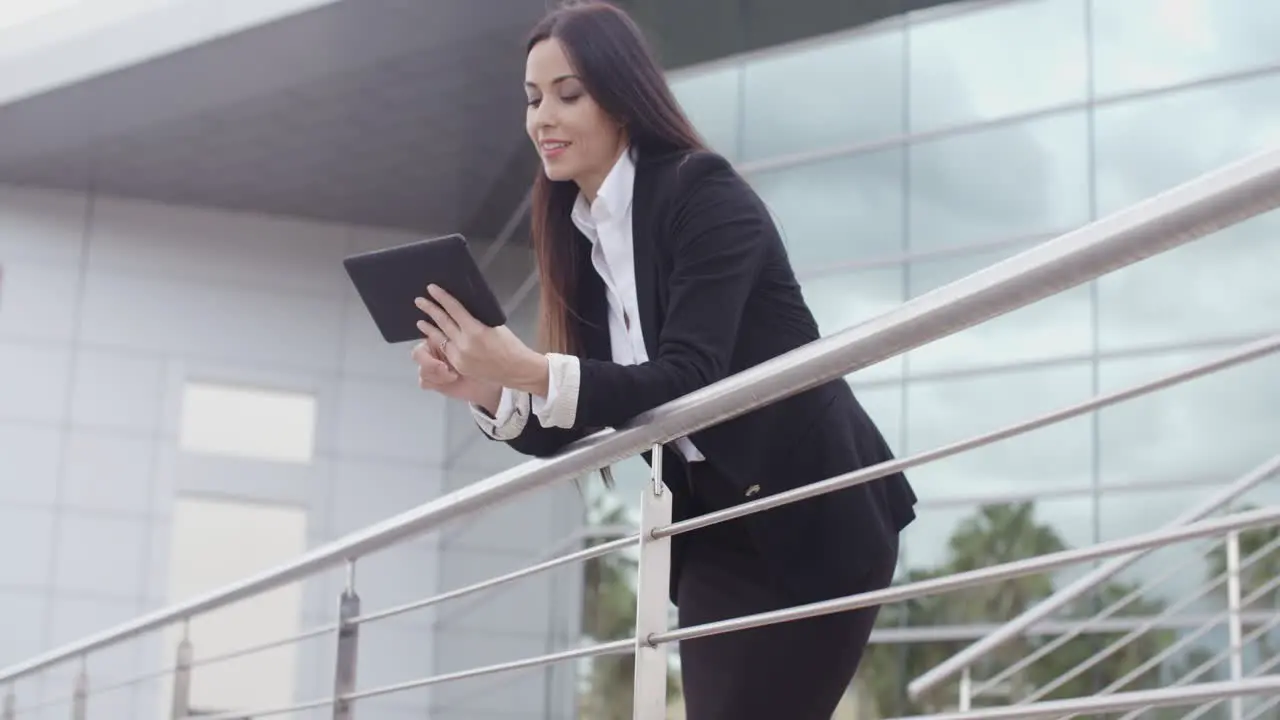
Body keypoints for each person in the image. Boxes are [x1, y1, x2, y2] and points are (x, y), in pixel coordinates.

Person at [409, 2, 917, 717]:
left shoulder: (702, 194)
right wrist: (485, 387)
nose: (542, 118)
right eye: (531, 99)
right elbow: (576, 417)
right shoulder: (578, 230)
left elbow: (688, 375)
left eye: (568, 94)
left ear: (621, 96)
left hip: (817, 514)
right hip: (714, 531)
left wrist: (523, 366)